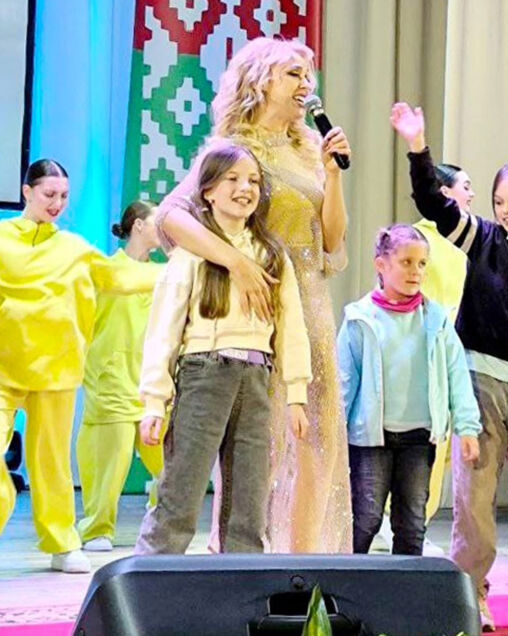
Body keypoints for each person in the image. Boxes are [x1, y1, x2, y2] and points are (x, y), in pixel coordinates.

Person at [154, 37, 352, 553]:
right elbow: (170, 217)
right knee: (258, 446)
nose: (306, 84)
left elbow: (331, 241)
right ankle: (241, 555)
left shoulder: (309, 149)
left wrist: (332, 175)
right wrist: (236, 261)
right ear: (260, 81)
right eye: (293, 74)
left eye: (308, 75)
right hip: (258, 306)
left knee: (318, 441)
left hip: (311, 305)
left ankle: (305, 561)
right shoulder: (233, 148)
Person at [391, 102, 508, 632]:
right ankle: (470, 593)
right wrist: (417, 146)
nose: (507, 209)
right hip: (482, 380)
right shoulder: (484, 239)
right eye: (498, 201)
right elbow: (433, 202)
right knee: (475, 496)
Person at [0, 159, 160, 572]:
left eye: (63, 196)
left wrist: (187, 271)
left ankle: (62, 543)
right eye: (49, 194)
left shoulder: (74, 248)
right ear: (27, 192)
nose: (57, 203)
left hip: (57, 372)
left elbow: (120, 277)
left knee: (51, 464)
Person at [135, 142, 310, 555]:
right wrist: (154, 402)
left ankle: (241, 581)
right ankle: (151, 577)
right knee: (181, 488)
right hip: (204, 373)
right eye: (232, 179)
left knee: (249, 500)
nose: (244, 189)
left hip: (256, 378)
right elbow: (163, 331)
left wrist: (296, 395)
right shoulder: (191, 255)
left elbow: (292, 329)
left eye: (253, 181)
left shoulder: (272, 255)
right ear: (209, 191)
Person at [338, 224, 481, 556]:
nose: (415, 271)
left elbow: (457, 373)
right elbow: (344, 381)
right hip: (370, 439)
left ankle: (405, 585)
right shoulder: (360, 319)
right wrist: (335, 432)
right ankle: (348, 581)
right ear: (381, 265)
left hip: (418, 436)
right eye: (406, 262)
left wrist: (467, 427)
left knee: (412, 522)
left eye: (421, 264)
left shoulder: (436, 320)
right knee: (365, 518)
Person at [369, 163, 472, 556]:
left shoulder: (458, 240)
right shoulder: (422, 239)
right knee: (413, 443)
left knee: (435, 446)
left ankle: (411, 526)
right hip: (417, 353)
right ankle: (392, 526)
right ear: (444, 192)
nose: (471, 195)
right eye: (465, 187)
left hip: (445, 348)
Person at [76, 201, 164, 552]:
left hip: (153, 383)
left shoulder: (165, 273)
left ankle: (159, 525)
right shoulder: (106, 270)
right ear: (139, 225)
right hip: (111, 378)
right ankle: (97, 528)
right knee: (108, 461)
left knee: (171, 464)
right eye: (157, 221)